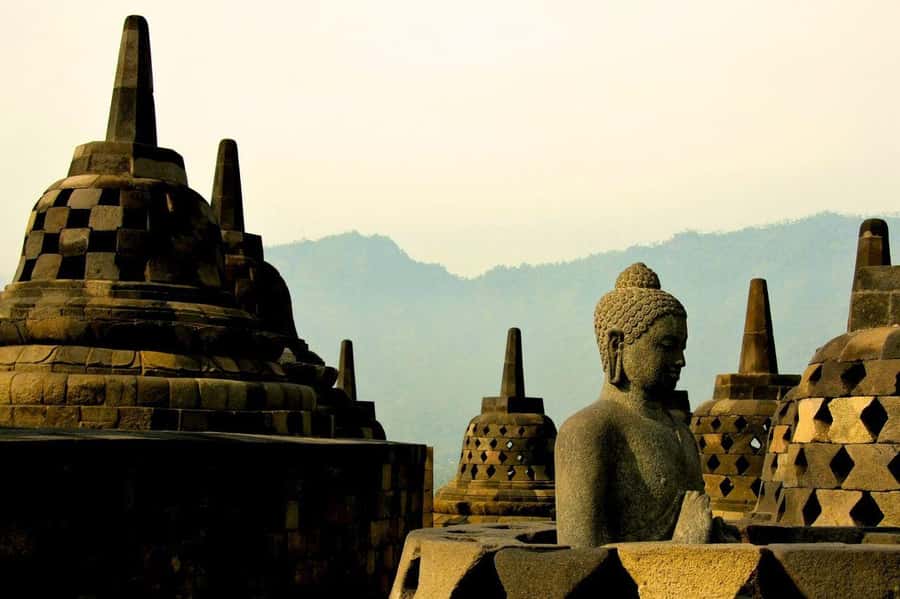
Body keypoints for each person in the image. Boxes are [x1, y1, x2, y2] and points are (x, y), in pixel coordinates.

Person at [555, 262, 714, 547]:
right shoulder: (587, 432)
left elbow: (698, 524)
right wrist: (685, 542)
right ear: (617, 345)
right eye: (667, 346)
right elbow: (579, 559)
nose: (680, 360)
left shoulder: (681, 434)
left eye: (682, 347)